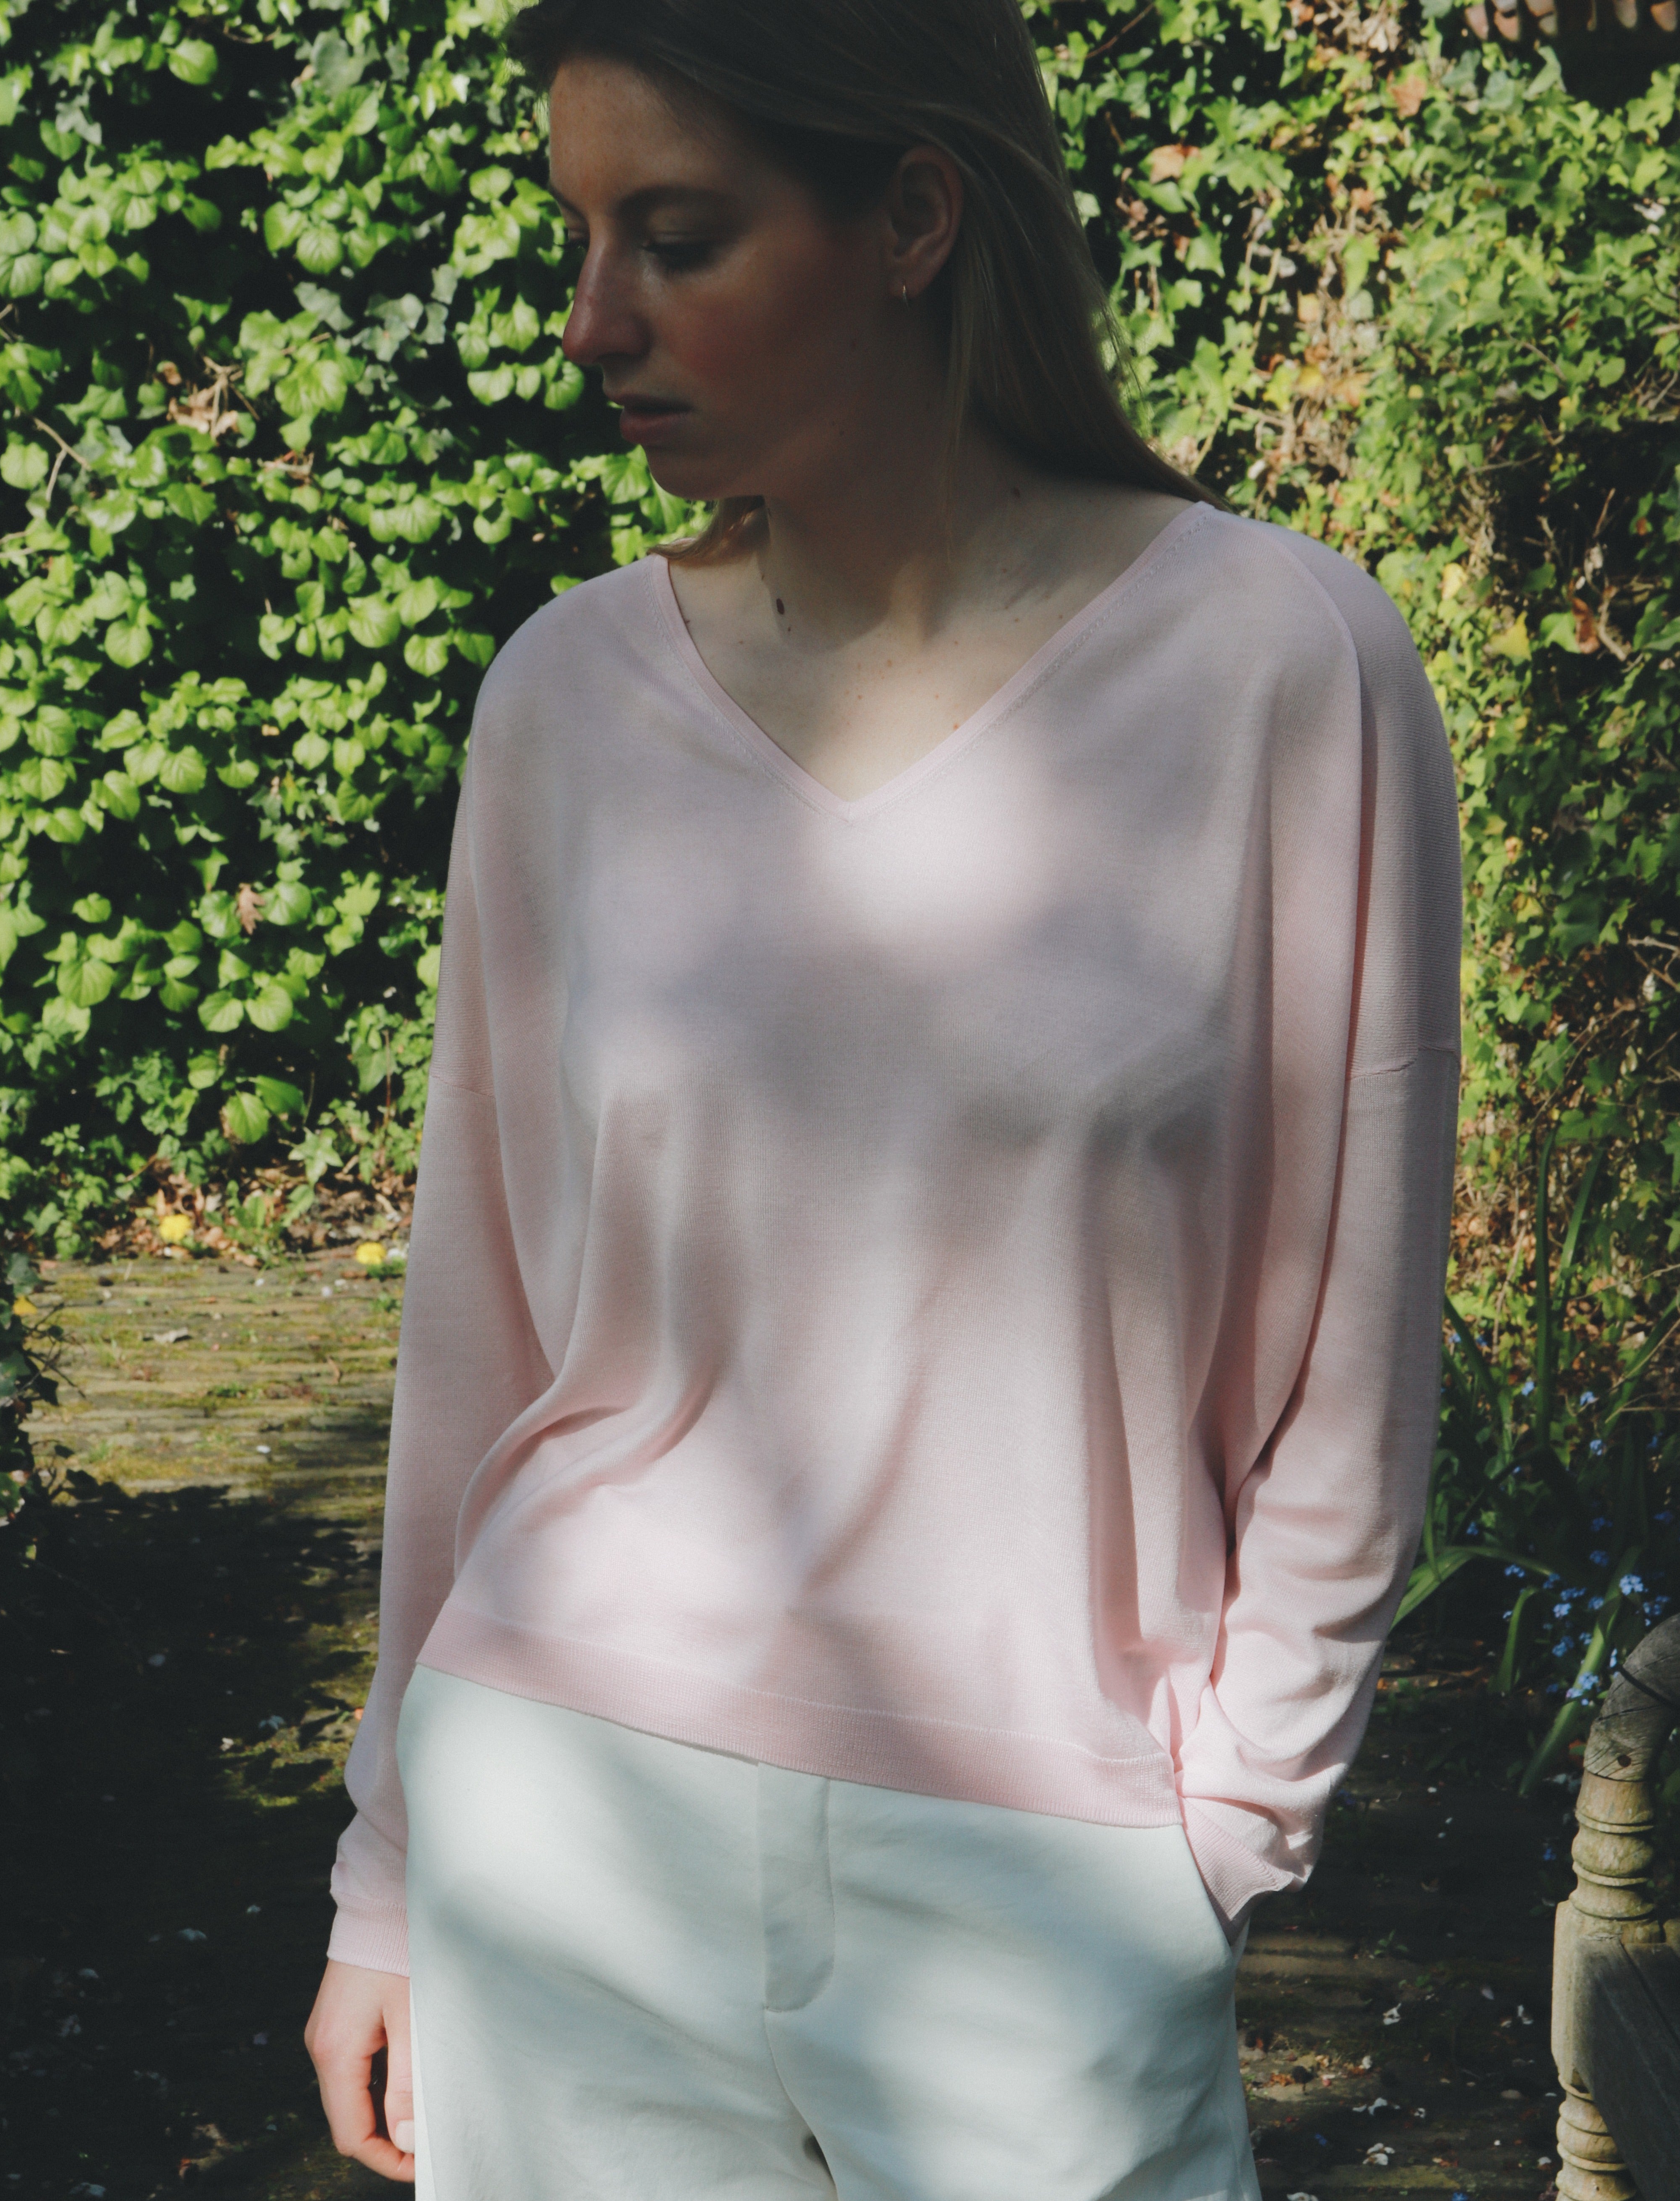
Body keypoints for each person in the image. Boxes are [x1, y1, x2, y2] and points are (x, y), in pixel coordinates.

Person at [302, 0, 1462, 2193]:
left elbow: (1350, 1335)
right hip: (563, 1807)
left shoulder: (1284, 669)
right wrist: (394, 1871)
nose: (591, 319)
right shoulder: (565, 700)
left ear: (914, 217)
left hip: (1053, 1857)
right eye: (577, 239)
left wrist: (1225, 1824)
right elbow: (480, 1335)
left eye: (677, 238)